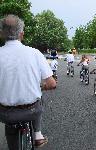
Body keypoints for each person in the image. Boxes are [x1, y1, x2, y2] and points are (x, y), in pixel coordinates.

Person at [0, 14, 56, 149]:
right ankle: (38, 135)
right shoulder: (35, 53)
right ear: (22, 34)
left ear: (1, 34)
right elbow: (52, 83)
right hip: (32, 110)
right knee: (39, 97)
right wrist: (40, 86)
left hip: (5, 114)